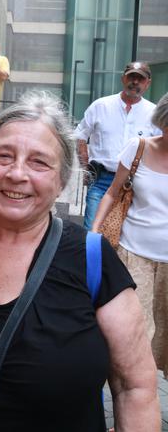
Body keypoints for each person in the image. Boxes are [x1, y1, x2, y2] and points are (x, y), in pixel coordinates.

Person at [0, 92, 160, 431]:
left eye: (39, 162)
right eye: (3, 156)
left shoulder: (91, 259)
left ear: (62, 181)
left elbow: (136, 387)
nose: (17, 173)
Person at [92, 92, 168, 378]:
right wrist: (94, 232)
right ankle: (134, 411)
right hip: (133, 252)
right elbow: (112, 192)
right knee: (134, 335)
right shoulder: (138, 148)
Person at [75, 61, 160, 229]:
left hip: (136, 185)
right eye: (131, 77)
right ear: (123, 79)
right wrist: (85, 168)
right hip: (101, 180)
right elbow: (80, 135)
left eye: (140, 79)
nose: (135, 82)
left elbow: (160, 147)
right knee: (92, 233)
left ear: (147, 83)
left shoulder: (154, 113)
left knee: (127, 236)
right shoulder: (101, 106)